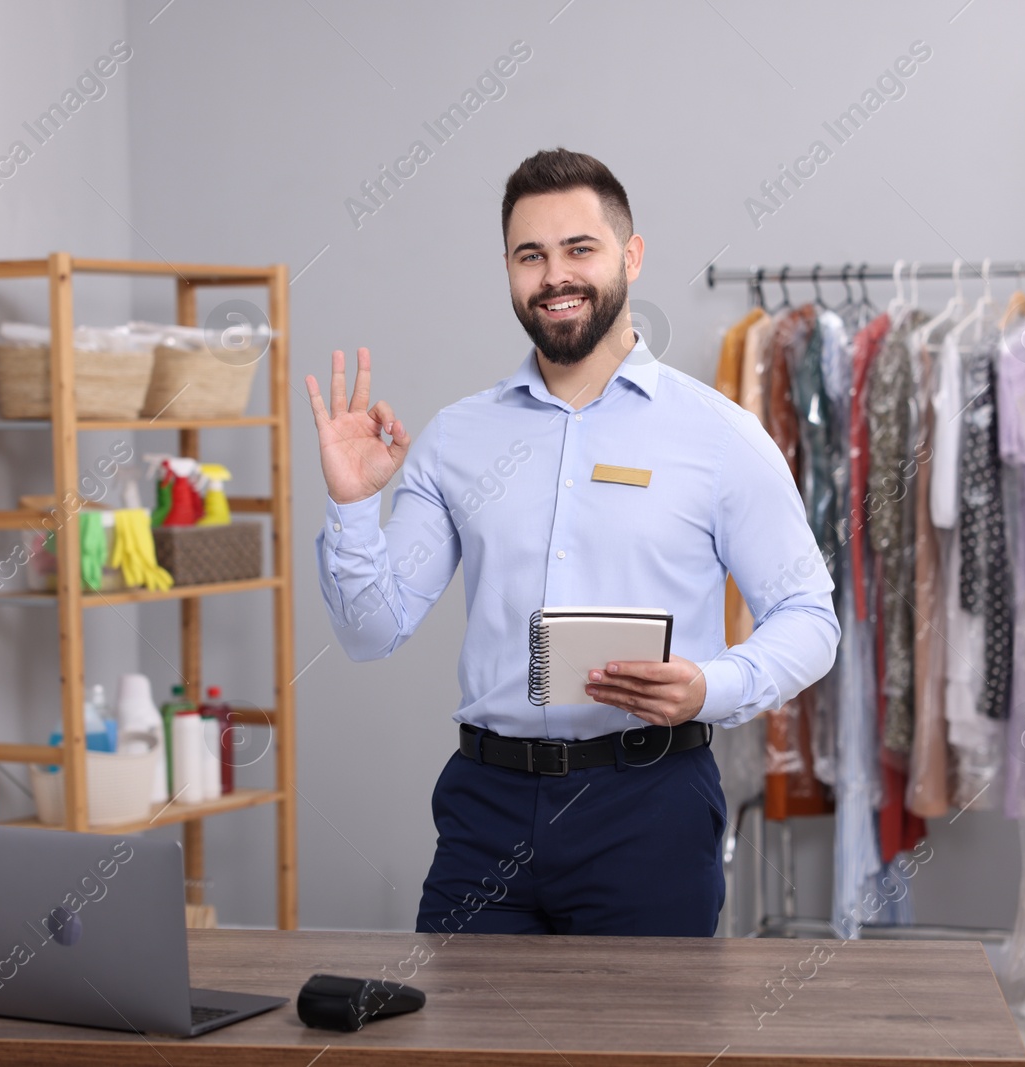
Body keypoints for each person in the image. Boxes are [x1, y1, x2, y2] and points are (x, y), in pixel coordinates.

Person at [307, 148, 839, 937]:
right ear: (510, 270)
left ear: (631, 255)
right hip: (485, 807)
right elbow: (369, 631)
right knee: (459, 1051)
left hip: (650, 805)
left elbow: (810, 617)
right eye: (531, 255)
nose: (555, 275)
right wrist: (353, 507)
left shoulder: (720, 435)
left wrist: (712, 685)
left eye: (578, 249)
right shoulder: (458, 438)